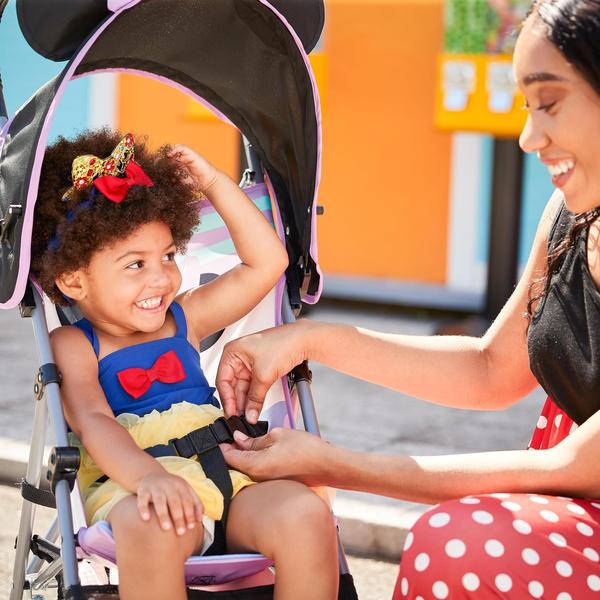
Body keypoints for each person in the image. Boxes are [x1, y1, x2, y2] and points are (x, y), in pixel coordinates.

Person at [218, 1, 600, 597]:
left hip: (574, 497)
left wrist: (332, 463)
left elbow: (575, 467)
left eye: (548, 104)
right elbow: (490, 368)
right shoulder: (570, 216)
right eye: (526, 109)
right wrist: (304, 338)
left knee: (455, 544)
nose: (528, 137)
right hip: (572, 510)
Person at [31, 129, 338, 600]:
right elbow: (93, 422)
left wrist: (214, 184)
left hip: (227, 478)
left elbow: (268, 262)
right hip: (136, 488)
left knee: (305, 512)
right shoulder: (74, 343)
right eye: (135, 264)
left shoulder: (184, 319)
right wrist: (150, 478)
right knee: (152, 526)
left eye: (169, 255)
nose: (162, 276)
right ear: (73, 280)